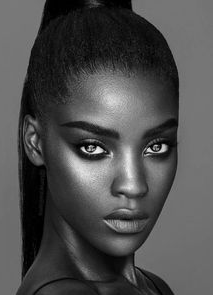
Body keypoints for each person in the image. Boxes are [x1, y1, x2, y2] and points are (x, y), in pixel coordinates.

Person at [16, 0, 179, 294]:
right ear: (35, 142)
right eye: (92, 148)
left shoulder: (154, 287)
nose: (133, 185)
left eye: (156, 147)